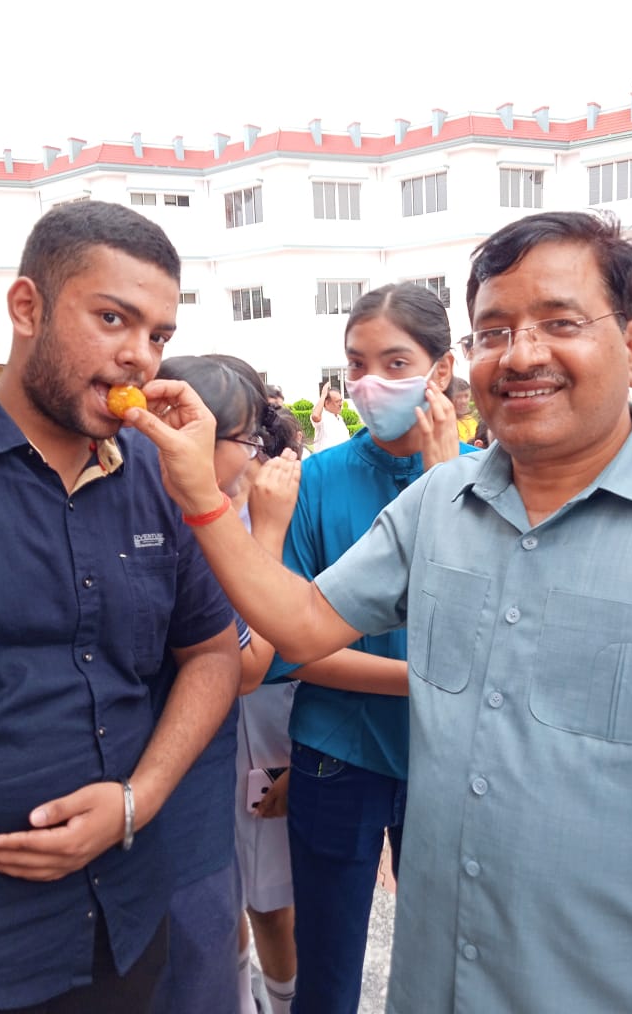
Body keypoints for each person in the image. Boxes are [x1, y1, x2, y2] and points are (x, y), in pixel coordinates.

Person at [129, 210, 632, 1014]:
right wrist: (204, 496)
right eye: (494, 331)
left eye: (559, 323)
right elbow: (303, 623)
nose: (521, 354)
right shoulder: (442, 501)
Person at [136, 282, 469, 1014]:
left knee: (450, 958)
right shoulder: (314, 481)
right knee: (328, 963)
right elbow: (290, 645)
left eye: (395, 362)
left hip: (450, 756)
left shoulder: (487, 478)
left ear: (440, 370)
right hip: (335, 751)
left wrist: (451, 481)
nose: (371, 383)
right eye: (356, 364)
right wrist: (434, 679)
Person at [0, 201, 241, 1013]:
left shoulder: (156, 475)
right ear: (26, 308)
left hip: (126, 927)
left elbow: (213, 652)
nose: (138, 358)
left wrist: (135, 802)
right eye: (113, 319)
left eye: (157, 335)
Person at [151, 354, 299, 1014]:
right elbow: (249, 664)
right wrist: (266, 530)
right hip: (181, 780)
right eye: (247, 441)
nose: (252, 459)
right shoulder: (189, 519)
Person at [309, 380, 349, 452]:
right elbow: (315, 416)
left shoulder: (340, 419)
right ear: (327, 403)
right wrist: (323, 395)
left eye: (341, 401)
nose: (340, 404)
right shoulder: (323, 417)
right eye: (337, 402)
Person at [451, 376, 478, 442]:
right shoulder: (443, 422)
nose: (463, 401)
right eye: (458, 396)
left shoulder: (471, 421)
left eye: (466, 396)